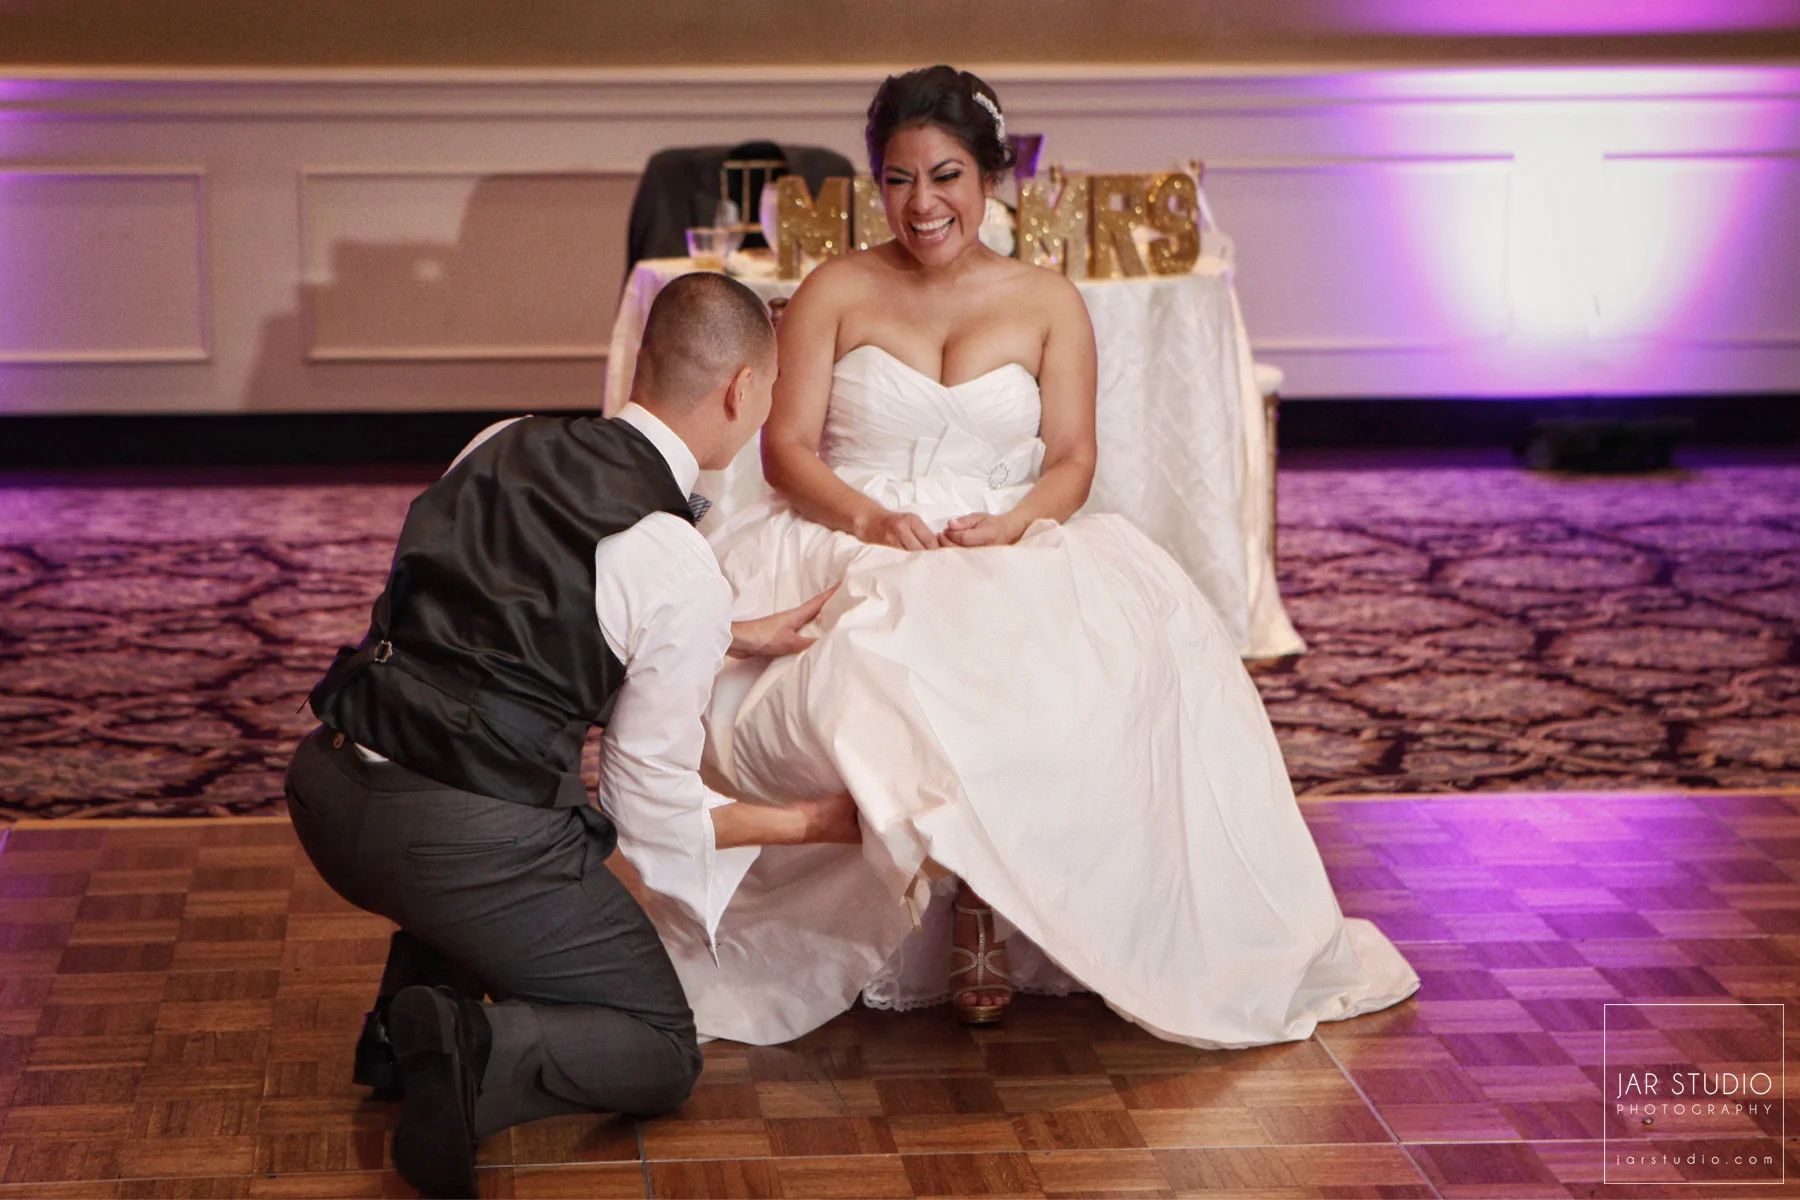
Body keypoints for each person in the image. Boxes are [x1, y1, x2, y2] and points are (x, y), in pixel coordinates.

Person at [614, 66, 1419, 1047]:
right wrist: (869, 518)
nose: (922, 204)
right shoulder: (836, 288)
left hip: (1000, 531)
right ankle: (926, 888)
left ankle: (984, 907)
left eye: (946, 176)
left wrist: (1016, 521)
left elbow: (1074, 458)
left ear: (991, 177)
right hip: (854, 531)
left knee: (1073, 672)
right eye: (899, 179)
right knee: (879, 673)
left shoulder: (1047, 299)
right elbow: (785, 452)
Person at [284, 272, 857, 1199]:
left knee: (497, 812)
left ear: (643, 361)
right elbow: (647, 808)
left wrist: (725, 635)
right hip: (452, 842)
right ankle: (472, 1050)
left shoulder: (500, 439)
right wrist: (812, 823)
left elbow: (479, 621)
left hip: (329, 785)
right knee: (661, 1046)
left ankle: (398, 1029)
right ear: (742, 389)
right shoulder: (675, 562)